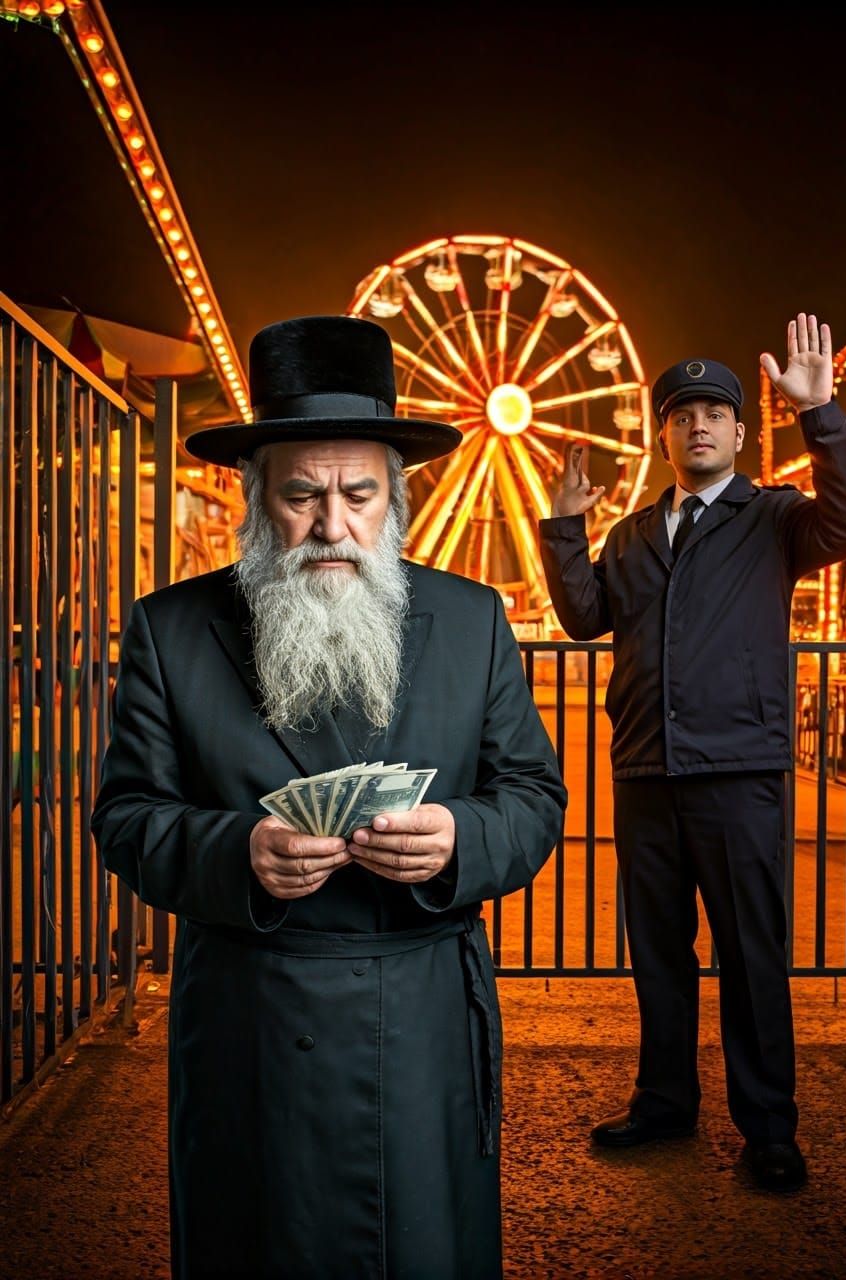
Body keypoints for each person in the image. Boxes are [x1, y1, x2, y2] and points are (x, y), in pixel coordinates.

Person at [92, 315, 566, 1280]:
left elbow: (533, 794)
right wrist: (238, 855)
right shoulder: (171, 628)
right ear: (256, 499)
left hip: (423, 1019)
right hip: (253, 1027)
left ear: (396, 498)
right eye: (301, 494)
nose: (331, 524)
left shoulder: (474, 619)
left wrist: (461, 839)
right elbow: (127, 816)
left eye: (359, 494)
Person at [539, 313, 846, 1192]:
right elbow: (584, 617)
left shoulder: (777, 518)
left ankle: (768, 1126)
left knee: (751, 953)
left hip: (738, 771)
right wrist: (565, 528)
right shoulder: (630, 535)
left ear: (736, 432)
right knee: (658, 954)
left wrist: (823, 417)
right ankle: (666, 1101)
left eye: (715, 412)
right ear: (661, 434)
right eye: (682, 411)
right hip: (648, 770)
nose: (698, 423)